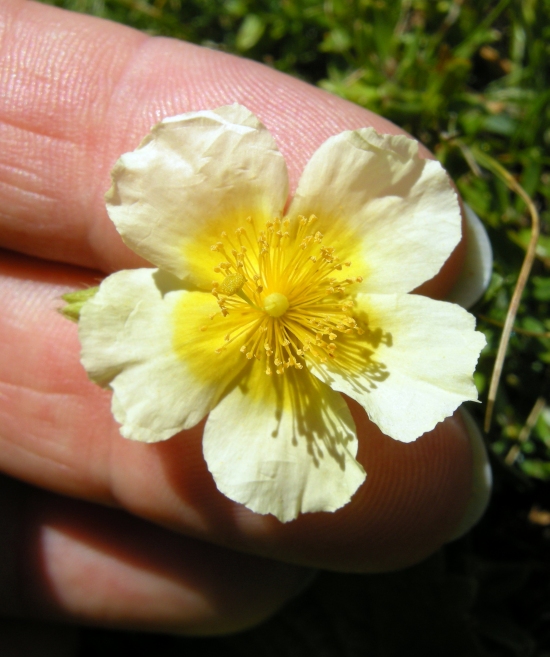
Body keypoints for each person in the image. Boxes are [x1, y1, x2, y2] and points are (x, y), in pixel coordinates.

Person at [0, 1, 490, 653]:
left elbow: (421, 355)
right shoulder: (197, 199)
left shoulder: (379, 199)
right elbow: (139, 351)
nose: (279, 301)